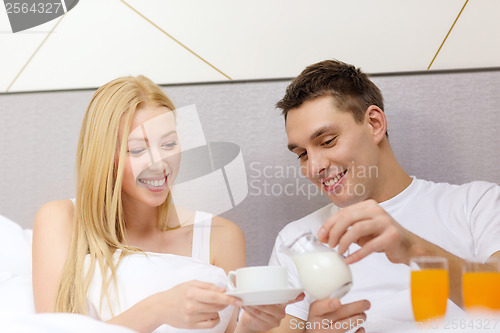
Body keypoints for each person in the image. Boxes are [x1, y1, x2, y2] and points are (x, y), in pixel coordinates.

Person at [32, 75, 299, 333]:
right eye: (137, 150)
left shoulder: (222, 237)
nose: (160, 164)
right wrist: (157, 309)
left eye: (169, 143)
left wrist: (251, 326)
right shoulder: (61, 220)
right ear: (102, 157)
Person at [268, 60, 500, 332]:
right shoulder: (298, 239)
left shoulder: (476, 205)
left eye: (327, 141)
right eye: (303, 154)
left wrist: (413, 249)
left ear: (374, 124)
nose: (314, 167)